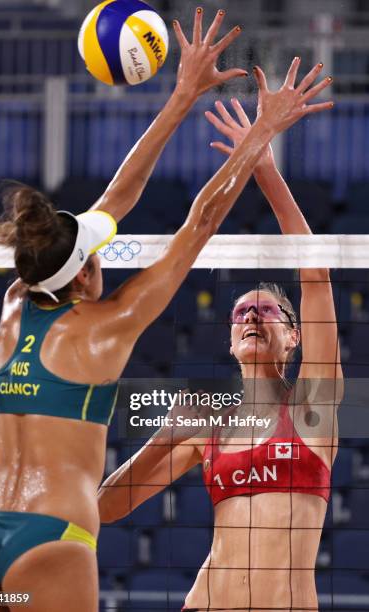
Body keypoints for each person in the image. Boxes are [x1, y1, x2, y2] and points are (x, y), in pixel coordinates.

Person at [98, 60, 341, 612]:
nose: (252, 318)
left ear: (295, 338)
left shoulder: (316, 409)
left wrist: (262, 164)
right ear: (231, 344)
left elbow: (315, 273)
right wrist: (162, 439)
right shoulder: (206, 423)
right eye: (240, 315)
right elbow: (107, 510)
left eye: (267, 312)